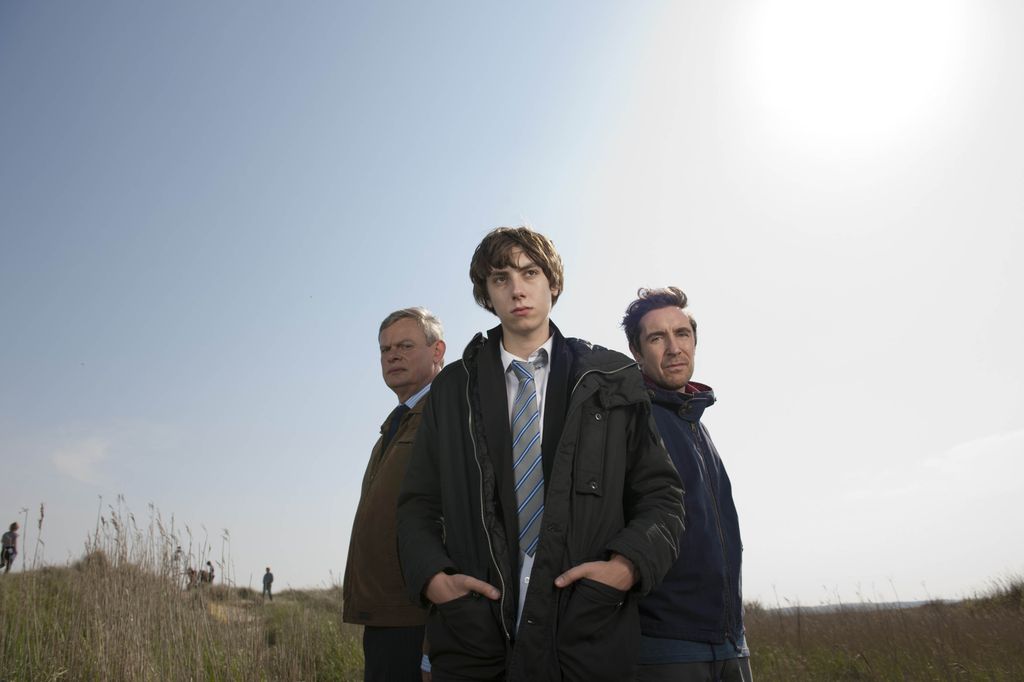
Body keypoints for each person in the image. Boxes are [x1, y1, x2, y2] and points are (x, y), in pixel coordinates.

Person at [397, 227, 684, 682]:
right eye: (500, 278)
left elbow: (661, 497)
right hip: (475, 641)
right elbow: (416, 507)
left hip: (587, 639)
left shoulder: (611, 377)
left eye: (530, 273)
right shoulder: (452, 388)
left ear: (552, 283)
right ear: (486, 295)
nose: (517, 289)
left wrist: (627, 567)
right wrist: (435, 579)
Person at [622, 287, 751, 682]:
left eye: (682, 334)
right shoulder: (630, 420)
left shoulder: (697, 423)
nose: (674, 347)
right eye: (657, 338)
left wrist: (735, 635)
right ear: (637, 353)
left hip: (731, 641)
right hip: (667, 645)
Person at [343, 307, 447, 682]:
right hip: (386, 617)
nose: (393, 356)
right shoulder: (395, 424)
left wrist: (434, 646)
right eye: (385, 349)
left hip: (419, 620)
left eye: (405, 345)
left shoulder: (446, 415)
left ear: (437, 352)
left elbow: (458, 525)